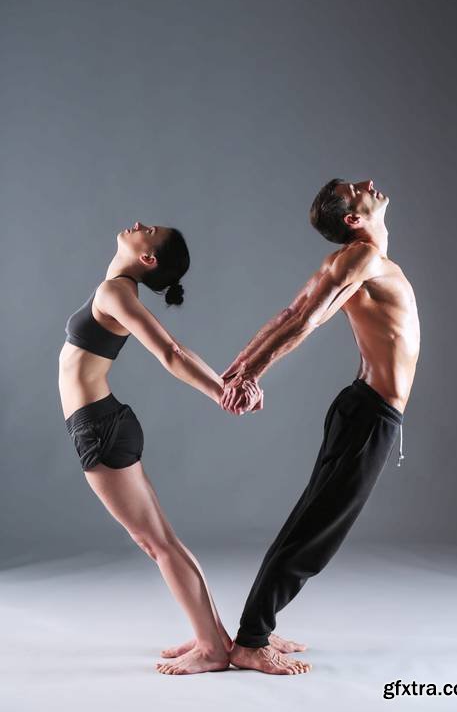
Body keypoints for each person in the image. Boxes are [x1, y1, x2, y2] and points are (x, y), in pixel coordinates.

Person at [219, 178, 420, 674]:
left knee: (310, 521)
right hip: (369, 412)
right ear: (354, 219)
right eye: (358, 190)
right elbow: (305, 319)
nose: (369, 185)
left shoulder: (356, 262)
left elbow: (292, 313)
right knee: (317, 532)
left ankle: (256, 626)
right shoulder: (362, 258)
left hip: (364, 409)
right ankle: (250, 641)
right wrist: (248, 373)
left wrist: (240, 369)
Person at [58, 221, 277, 676]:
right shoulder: (116, 290)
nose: (138, 225)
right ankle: (215, 637)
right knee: (161, 541)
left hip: (98, 427)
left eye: (148, 231)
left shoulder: (115, 292)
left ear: (148, 258)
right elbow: (178, 350)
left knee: (157, 543)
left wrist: (223, 393)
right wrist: (223, 387)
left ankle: (213, 650)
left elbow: (172, 353)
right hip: (102, 423)